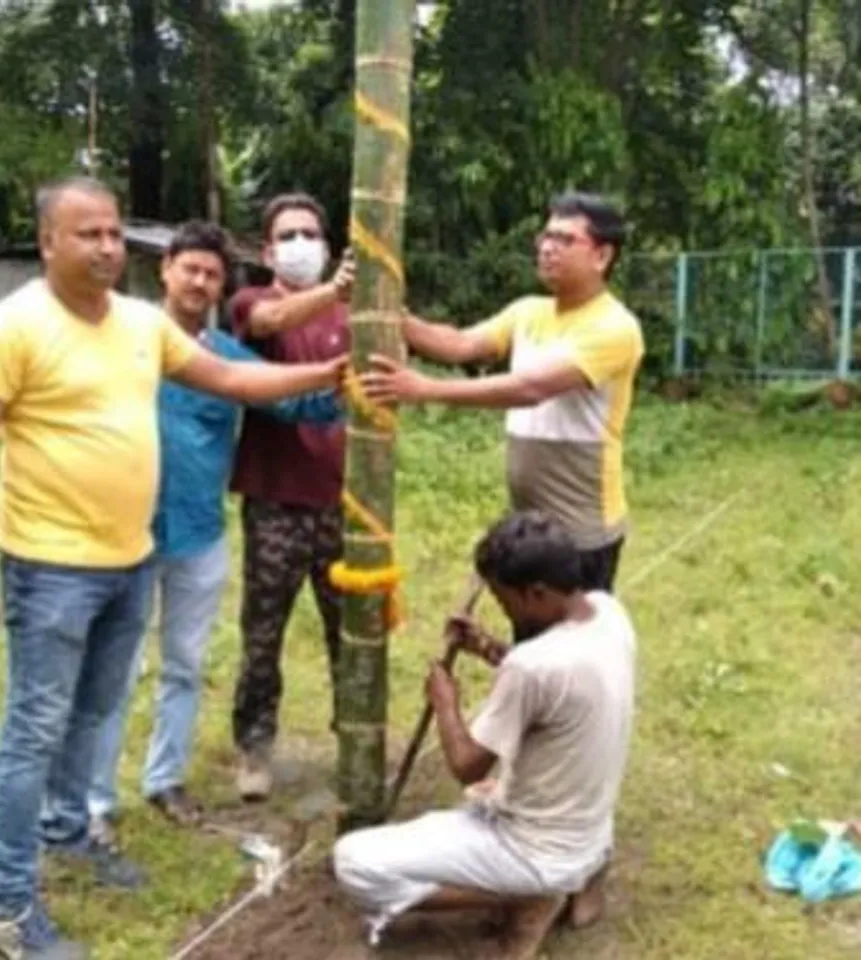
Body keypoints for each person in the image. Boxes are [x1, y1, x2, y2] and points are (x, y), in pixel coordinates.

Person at [0, 176, 346, 960]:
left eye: (113, 232)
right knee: (33, 730)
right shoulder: (10, 326)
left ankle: (68, 832)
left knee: (94, 714)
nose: (106, 246)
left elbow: (233, 378)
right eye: (86, 233)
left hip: (131, 558)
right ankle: (7, 909)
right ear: (48, 242)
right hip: (50, 569)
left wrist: (326, 377)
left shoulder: (138, 324)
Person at [87, 221, 343, 833]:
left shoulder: (225, 356)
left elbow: (291, 400)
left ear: (222, 286)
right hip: (122, 532)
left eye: (212, 275)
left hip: (197, 534)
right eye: (190, 269)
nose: (199, 282)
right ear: (165, 270)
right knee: (114, 669)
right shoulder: (121, 338)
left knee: (183, 663)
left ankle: (164, 779)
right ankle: (94, 800)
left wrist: (350, 380)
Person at [333, 511, 637, 959]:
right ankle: (570, 875)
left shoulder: (532, 667)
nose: (503, 608)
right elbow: (555, 687)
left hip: (536, 848)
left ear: (536, 593)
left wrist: (446, 703)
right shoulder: (608, 612)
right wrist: (488, 647)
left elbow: (466, 765)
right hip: (586, 830)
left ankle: (527, 896)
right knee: (482, 797)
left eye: (504, 598)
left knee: (354, 862)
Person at [362, 192, 644, 599]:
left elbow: (531, 388)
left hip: (582, 525)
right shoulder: (528, 311)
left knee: (578, 632)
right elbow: (461, 344)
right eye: (546, 236)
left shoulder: (615, 326)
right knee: (530, 620)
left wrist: (426, 389)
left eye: (565, 239)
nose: (547, 248)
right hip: (530, 520)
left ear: (602, 256)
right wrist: (390, 311)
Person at [227, 192, 355, 800]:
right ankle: (254, 749)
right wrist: (333, 291)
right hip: (275, 500)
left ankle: (356, 740)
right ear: (268, 250)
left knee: (350, 631)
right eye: (288, 235)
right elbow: (269, 323)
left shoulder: (351, 316)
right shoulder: (251, 303)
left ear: (326, 246)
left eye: (310, 233)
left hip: (342, 503)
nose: (301, 244)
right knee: (263, 633)